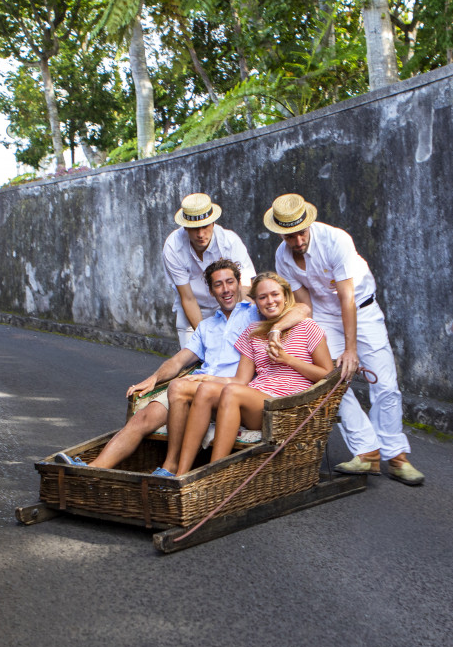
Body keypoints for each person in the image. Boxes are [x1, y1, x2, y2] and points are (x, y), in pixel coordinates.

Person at [54, 260, 309, 470]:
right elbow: (179, 360)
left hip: (226, 390)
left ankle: (172, 466)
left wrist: (275, 329)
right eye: (218, 285)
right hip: (195, 384)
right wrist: (154, 378)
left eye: (230, 282)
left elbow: (302, 309)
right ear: (211, 291)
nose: (225, 289)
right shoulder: (207, 326)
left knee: (178, 387)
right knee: (142, 417)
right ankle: (91, 469)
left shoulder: (254, 313)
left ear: (239, 284)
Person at [265, 193, 424, 485]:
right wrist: (278, 328)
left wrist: (351, 349)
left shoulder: (335, 240)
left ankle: (398, 458)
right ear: (280, 233)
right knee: (330, 380)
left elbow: (347, 297)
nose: (297, 241)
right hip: (324, 317)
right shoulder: (282, 257)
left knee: (386, 384)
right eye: (289, 236)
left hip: (361, 310)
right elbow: (305, 307)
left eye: (300, 233)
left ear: (308, 223)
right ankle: (367, 452)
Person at [161, 272, 334, 477]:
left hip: (286, 405)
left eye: (274, 295)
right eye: (262, 297)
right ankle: (181, 474)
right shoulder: (253, 331)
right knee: (206, 389)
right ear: (256, 303)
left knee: (233, 392)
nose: (269, 301)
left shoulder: (307, 327)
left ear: (286, 296)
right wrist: (209, 378)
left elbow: (327, 375)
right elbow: (240, 380)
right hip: (256, 402)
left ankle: (214, 475)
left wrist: (288, 360)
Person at [163, 193, 256, 350]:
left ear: (213, 223)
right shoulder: (173, 247)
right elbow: (188, 298)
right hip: (192, 308)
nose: (200, 234)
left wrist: (243, 322)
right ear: (185, 227)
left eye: (205, 227)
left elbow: (244, 288)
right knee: (194, 360)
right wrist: (205, 338)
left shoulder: (230, 242)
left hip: (229, 305)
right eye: (194, 229)